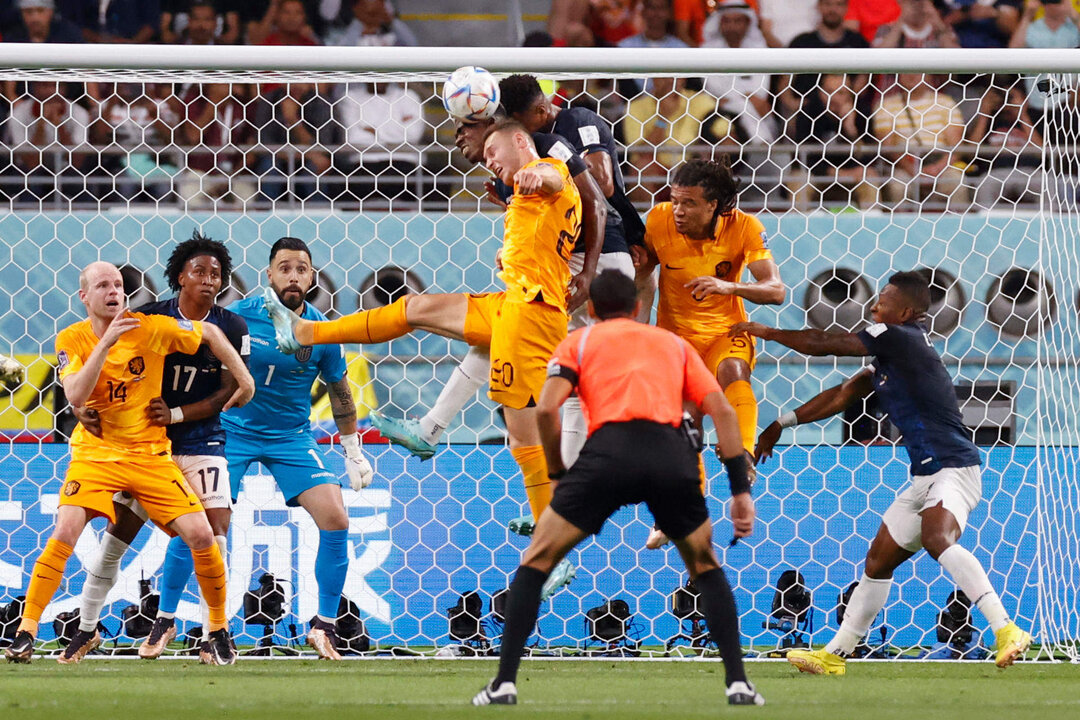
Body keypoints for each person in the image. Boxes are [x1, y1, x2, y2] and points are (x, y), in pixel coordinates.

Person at [265, 120, 582, 600]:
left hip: (532, 315)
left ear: (520, 140)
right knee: (415, 308)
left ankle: (552, 547)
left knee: (522, 433)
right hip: (514, 302)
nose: (490, 160)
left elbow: (557, 177)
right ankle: (308, 332)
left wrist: (541, 176)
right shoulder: (524, 195)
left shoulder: (546, 169)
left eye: (494, 150)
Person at [471, 270, 762, 707]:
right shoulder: (673, 344)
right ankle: (738, 683)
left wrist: (557, 470)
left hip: (608, 453)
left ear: (589, 309)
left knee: (537, 560)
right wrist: (739, 491)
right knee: (704, 566)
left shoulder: (580, 342)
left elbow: (548, 409)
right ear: (638, 308)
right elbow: (720, 409)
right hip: (670, 454)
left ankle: (504, 684)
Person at [730, 270, 1032, 674]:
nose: (874, 305)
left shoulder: (900, 337)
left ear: (906, 311)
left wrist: (764, 331)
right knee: (877, 563)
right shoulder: (892, 357)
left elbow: (825, 342)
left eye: (883, 300)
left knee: (935, 537)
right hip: (925, 475)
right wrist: (778, 425)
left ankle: (1006, 628)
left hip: (954, 466)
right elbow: (840, 395)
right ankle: (835, 655)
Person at [4, 260, 255, 665]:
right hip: (96, 455)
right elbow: (75, 396)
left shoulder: (148, 327)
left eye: (118, 284)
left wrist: (245, 377)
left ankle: (218, 627)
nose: (113, 291)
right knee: (66, 529)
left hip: (150, 456)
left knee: (203, 535)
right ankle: (26, 631)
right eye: (103, 285)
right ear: (84, 296)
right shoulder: (73, 337)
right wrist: (104, 345)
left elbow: (208, 331)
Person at [370, 114, 606, 473]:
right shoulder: (516, 172)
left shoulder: (547, 153)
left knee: (575, 376)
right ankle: (431, 428)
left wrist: (588, 271)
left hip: (588, 265)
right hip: (558, 269)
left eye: (469, 129)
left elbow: (581, 192)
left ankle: (564, 490)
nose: (462, 138)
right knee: (498, 341)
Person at [221, 236, 373, 660]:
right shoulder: (237, 318)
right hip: (234, 431)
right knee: (204, 521)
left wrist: (352, 449)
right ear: (268, 275)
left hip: (291, 436)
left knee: (336, 516)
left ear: (311, 277)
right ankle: (190, 625)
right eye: (284, 267)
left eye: (301, 268)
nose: (293, 275)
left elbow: (340, 392)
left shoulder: (321, 330)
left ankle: (322, 626)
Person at [634, 158, 785, 546]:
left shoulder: (745, 228)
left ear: (714, 205)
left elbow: (775, 290)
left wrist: (729, 288)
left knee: (733, 372)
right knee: (685, 421)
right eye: (675, 200)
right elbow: (642, 275)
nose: (678, 210)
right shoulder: (658, 220)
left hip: (725, 331)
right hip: (676, 339)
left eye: (688, 203)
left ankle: (744, 456)